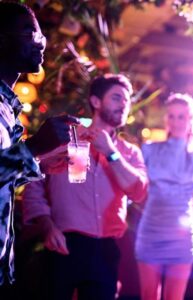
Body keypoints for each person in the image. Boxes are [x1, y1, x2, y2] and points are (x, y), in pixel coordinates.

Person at [22, 73, 148, 300]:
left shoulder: (129, 152)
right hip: (64, 246)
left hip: (106, 250)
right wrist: (47, 225)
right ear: (96, 101)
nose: (124, 105)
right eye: (117, 98)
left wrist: (111, 152)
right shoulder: (66, 139)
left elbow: (138, 192)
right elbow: (33, 182)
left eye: (127, 100)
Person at [0, 1, 79, 286]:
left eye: (41, 37)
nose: (41, 44)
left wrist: (40, 161)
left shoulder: (8, 108)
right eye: (30, 34)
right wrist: (34, 147)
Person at [135, 93, 193, 300]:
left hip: (181, 236)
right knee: (148, 296)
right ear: (166, 119)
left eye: (182, 116)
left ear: (192, 120)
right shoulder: (150, 149)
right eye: (171, 116)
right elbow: (135, 183)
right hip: (151, 231)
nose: (176, 121)